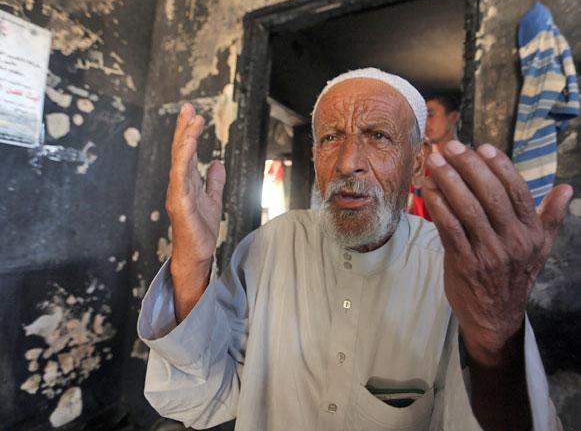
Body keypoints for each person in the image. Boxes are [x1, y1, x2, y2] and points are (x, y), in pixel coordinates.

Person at [138, 68, 571, 431]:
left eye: (378, 135)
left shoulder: (458, 267)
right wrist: (191, 260)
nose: (348, 162)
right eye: (330, 138)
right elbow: (196, 395)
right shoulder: (271, 245)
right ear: (314, 158)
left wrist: (497, 338)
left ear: (417, 162)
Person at [408, 93, 462, 220]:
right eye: (424, 117)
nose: (425, 123)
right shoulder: (420, 162)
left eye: (431, 115)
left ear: (453, 117)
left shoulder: (465, 164)